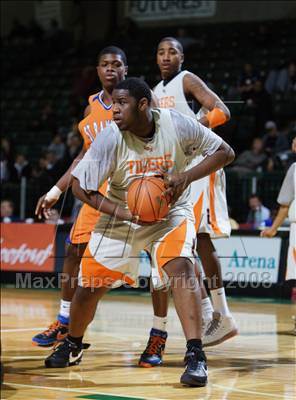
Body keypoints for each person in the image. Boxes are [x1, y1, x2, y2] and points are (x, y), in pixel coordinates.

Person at [44, 78, 235, 388]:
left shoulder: (177, 124)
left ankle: (195, 355)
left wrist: (184, 177)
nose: (115, 110)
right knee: (88, 288)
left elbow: (225, 152)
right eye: (113, 104)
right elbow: (80, 187)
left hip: (170, 212)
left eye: (122, 104)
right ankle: (73, 342)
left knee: (182, 270)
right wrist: (123, 212)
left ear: (143, 105)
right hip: (121, 215)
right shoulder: (110, 138)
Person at [139, 37, 238, 368]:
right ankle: (213, 317)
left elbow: (221, 111)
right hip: (177, 173)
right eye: (161, 52)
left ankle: (221, 314)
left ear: (182, 56)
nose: (166, 57)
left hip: (202, 164)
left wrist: (194, 127)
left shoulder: (187, 80)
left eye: (172, 51)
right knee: (186, 245)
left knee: (200, 238)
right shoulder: (153, 91)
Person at [32, 46, 128, 347]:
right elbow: (83, 157)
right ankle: (63, 321)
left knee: (164, 268)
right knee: (74, 252)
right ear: (97, 70)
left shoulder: (136, 101)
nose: (110, 69)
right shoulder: (91, 109)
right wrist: (55, 190)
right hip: (95, 194)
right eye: (104, 64)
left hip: (131, 194)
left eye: (116, 64)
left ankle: (162, 332)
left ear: (125, 69)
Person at [261, 139, 296, 282]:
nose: (293, 143)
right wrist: (273, 228)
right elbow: (285, 204)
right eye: (293, 141)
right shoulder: (294, 168)